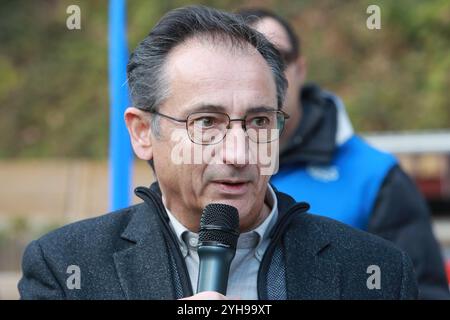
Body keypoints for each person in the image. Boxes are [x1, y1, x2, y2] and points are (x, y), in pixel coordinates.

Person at [18, 5, 418, 300]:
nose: (239, 152)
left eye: (259, 122)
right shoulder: (68, 268)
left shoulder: (374, 271)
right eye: (207, 122)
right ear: (142, 132)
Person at [237, 8, 450, 299]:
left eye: (278, 58)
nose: (264, 73)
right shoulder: (200, 178)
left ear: (301, 68)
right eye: (247, 61)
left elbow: (421, 291)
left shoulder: (376, 177)